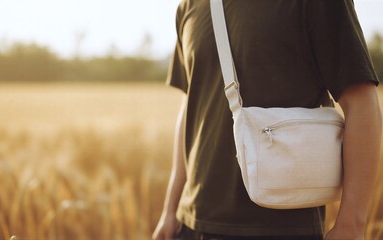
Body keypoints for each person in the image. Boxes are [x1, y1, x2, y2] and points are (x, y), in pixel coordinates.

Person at [153, 0, 381, 239]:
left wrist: (352, 225)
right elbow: (191, 107)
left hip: (279, 229)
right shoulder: (189, 6)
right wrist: (170, 210)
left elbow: (361, 102)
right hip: (189, 226)